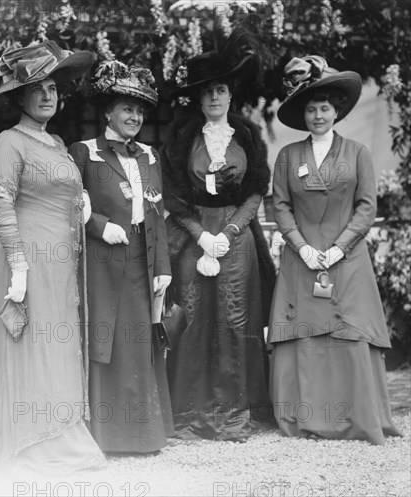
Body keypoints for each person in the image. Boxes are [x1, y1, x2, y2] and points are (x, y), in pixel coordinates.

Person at [0, 41, 105, 472]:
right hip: (28, 258)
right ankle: (35, 443)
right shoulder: (8, 142)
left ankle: (63, 432)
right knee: (33, 343)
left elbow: (63, 188)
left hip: (60, 262)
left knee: (58, 341)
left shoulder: (54, 142)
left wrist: (83, 198)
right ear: (21, 96)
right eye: (37, 88)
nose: (48, 95)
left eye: (53, 87)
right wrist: (17, 263)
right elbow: (1, 202)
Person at [269, 56, 402, 445]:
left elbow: (366, 206)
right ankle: (307, 418)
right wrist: (302, 247)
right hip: (302, 259)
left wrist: (340, 248)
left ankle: (356, 419)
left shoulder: (358, 152)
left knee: (350, 333)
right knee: (305, 335)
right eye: (310, 109)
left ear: (337, 111)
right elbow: (279, 205)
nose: (318, 115)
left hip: (348, 260)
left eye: (324, 108)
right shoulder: (289, 156)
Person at [159, 35, 276, 442]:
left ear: (231, 95)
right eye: (206, 91)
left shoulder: (247, 133)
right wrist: (201, 236)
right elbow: (172, 194)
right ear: (197, 97)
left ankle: (232, 411)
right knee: (193, 316)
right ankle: (190, 410)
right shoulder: (181, 136)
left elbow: (257, 189)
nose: (214, 97)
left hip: (238, 234)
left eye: (221, 90)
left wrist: (227, 232)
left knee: (234, 317)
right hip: (193, 234)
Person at [68, 61, 174, 453]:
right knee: (107, 341)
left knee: (140, 343)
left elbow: (156, 214)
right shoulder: (84, 152)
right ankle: (106, 435)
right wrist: (97, 225)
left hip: (141, 263)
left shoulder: (149, 155)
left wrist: (162, 267)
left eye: (139, 110)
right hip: (101, 263)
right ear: (107, 112)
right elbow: (69, 202)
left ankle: (142, 435)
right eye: (126, 108)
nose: (134, 116)